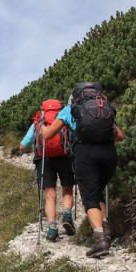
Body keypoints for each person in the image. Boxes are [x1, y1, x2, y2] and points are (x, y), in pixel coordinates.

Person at [39, 82, 123, 258]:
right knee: (98, 191)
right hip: (109, 153)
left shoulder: (71, 109)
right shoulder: (102, 108)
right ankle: (106, 229)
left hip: (86, 153)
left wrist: (42, 126)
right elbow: (120, 136)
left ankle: (100, 240)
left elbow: (48, 135)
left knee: (89, 195)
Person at [18, 100, 76, 242]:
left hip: (44, 159)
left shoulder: (38, 121)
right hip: (65, 157)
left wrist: (23, 148)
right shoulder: (64, 118)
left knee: (50, 194)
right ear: (60, 108)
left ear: (43, 109)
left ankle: (52, 228)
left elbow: (23, 145)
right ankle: (67, 214)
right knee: (67, 189)